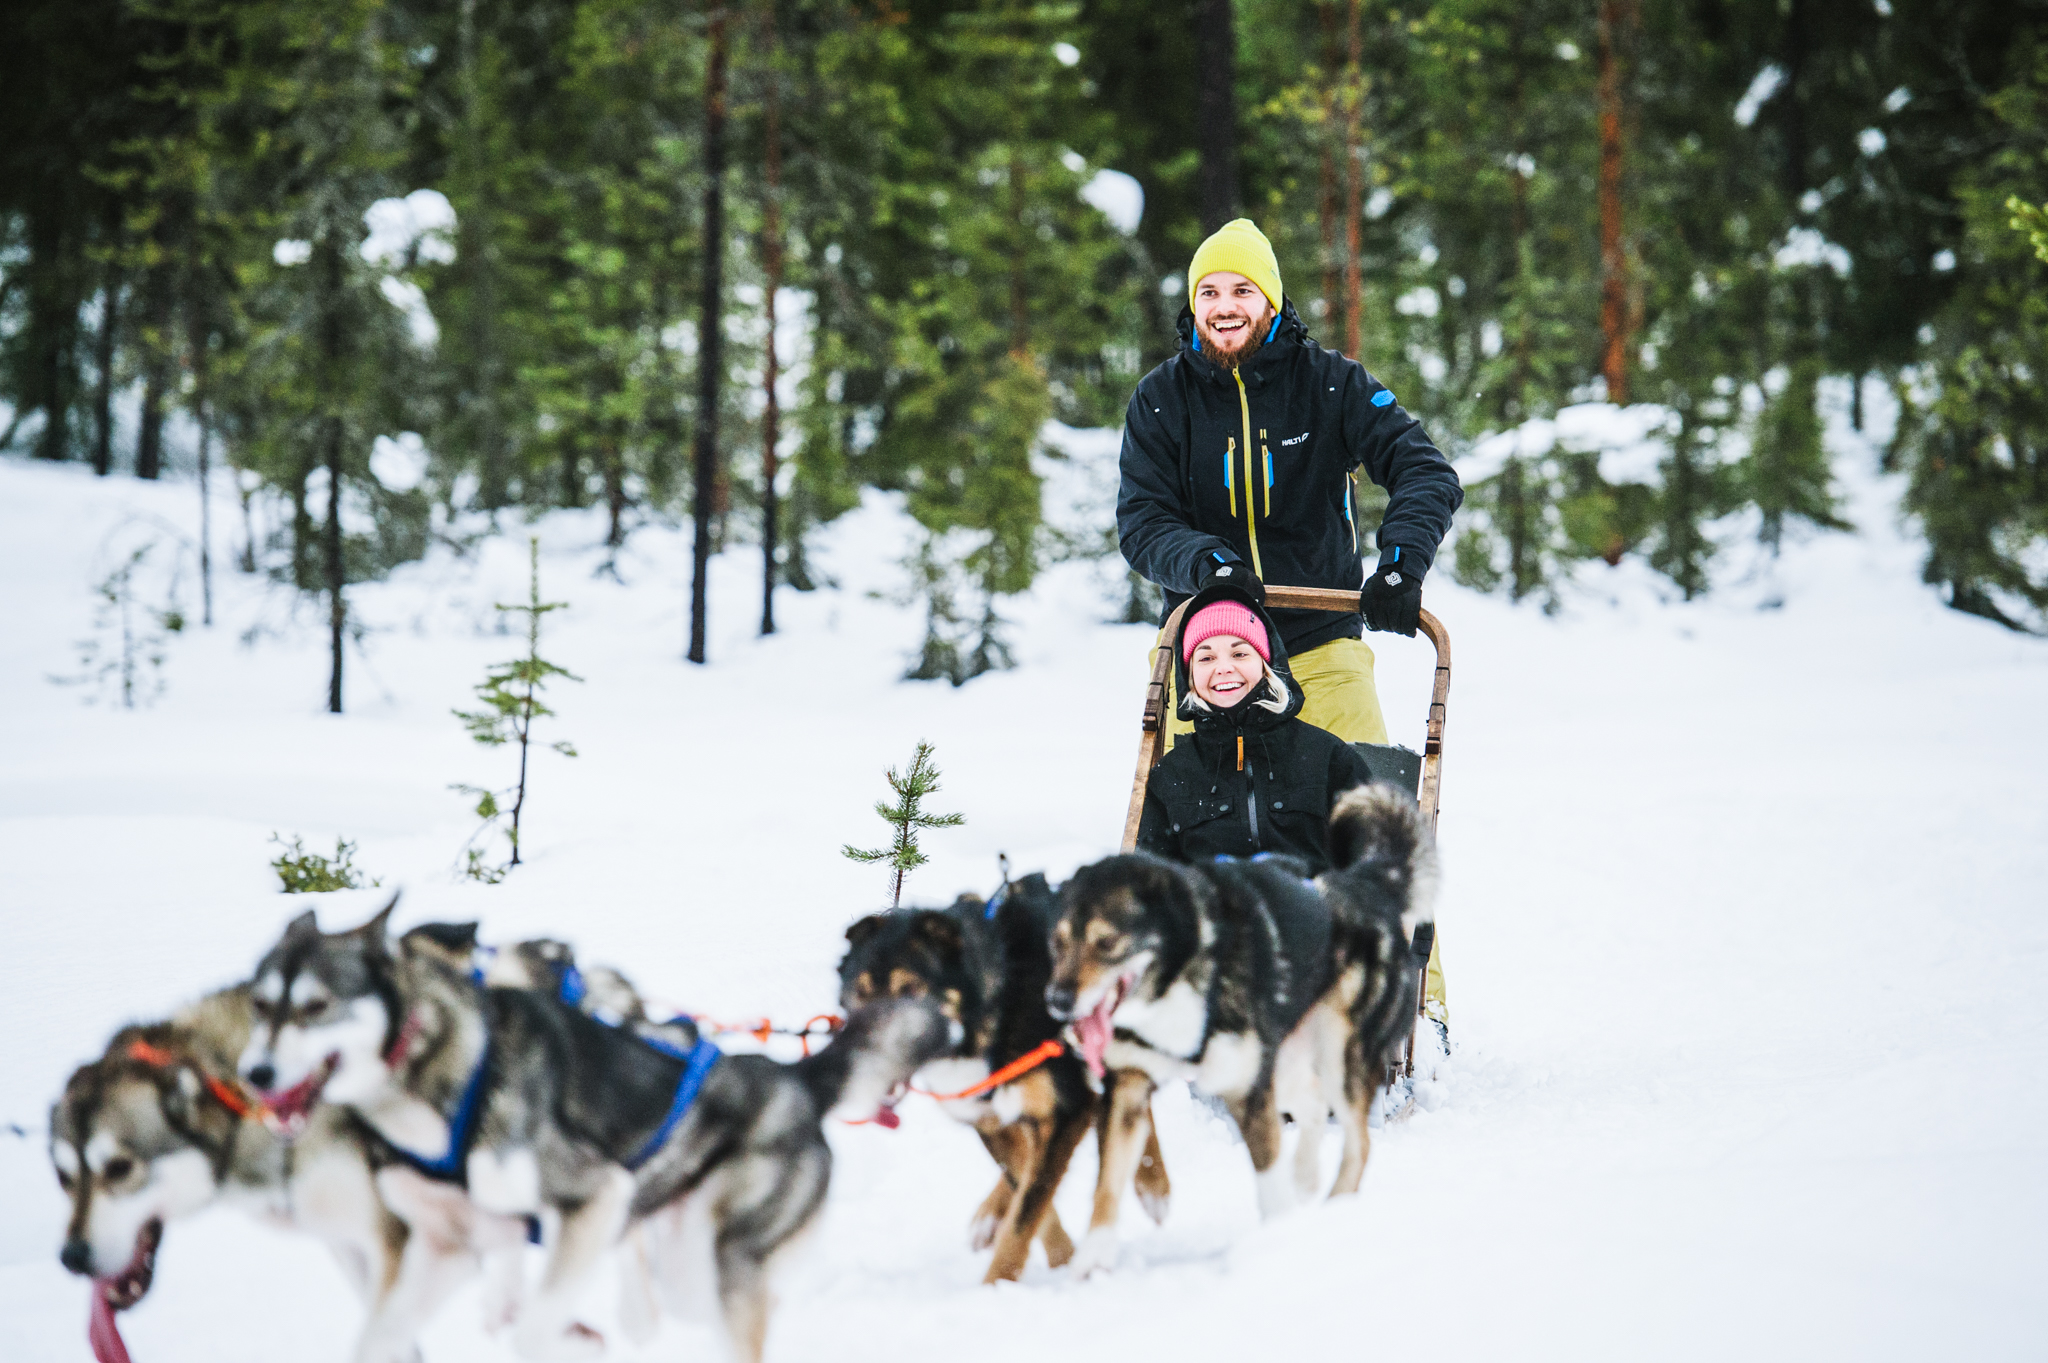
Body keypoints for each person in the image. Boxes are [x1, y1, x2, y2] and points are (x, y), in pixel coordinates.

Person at [1117, 217, 1460, 1021]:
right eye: (1210, 291)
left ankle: (1417, 1008)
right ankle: (1174, 1005)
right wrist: (1208, 565)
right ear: (1193, 304)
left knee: (1377, 816)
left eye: (1242, 289)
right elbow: (1142, 520)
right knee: (1177, 824)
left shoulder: (1329, 383)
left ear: (1270, 300)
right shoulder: (1162, 400)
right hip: (1209, 652)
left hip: (1319, 638)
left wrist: (1401, 559)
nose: (1225, 305)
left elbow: (1423, 469)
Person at [1135, 587, 1372, 873]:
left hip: (1313, 910)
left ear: (1265, 665)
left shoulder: (1328, 757)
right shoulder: (1173, 774)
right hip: (1217, 913)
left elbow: (1378, 870)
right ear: (1190, 677)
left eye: (1239, 653)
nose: (1223, 668)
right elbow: (1150, 884)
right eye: (1206, 658)